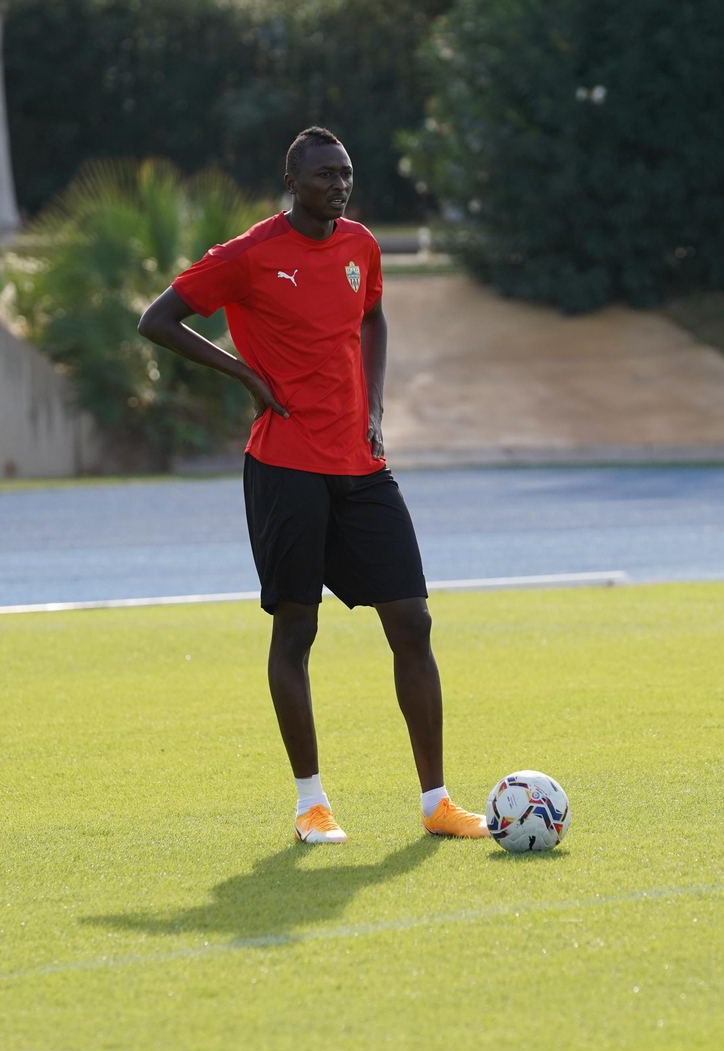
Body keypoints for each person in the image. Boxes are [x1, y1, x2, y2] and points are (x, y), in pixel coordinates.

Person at [136, 127, 489, 843]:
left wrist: (375, 408)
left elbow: (374, 317)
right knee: (298, 629)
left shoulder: (361, 246)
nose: (340, 184)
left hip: (361, 465)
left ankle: (437, 803)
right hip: (285, 467)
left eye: (346, 173)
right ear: (292, 181)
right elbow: (157, 319)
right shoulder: (247, 254)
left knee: (413, 621)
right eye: (326, 174)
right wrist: (244, 374)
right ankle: (311, 805)